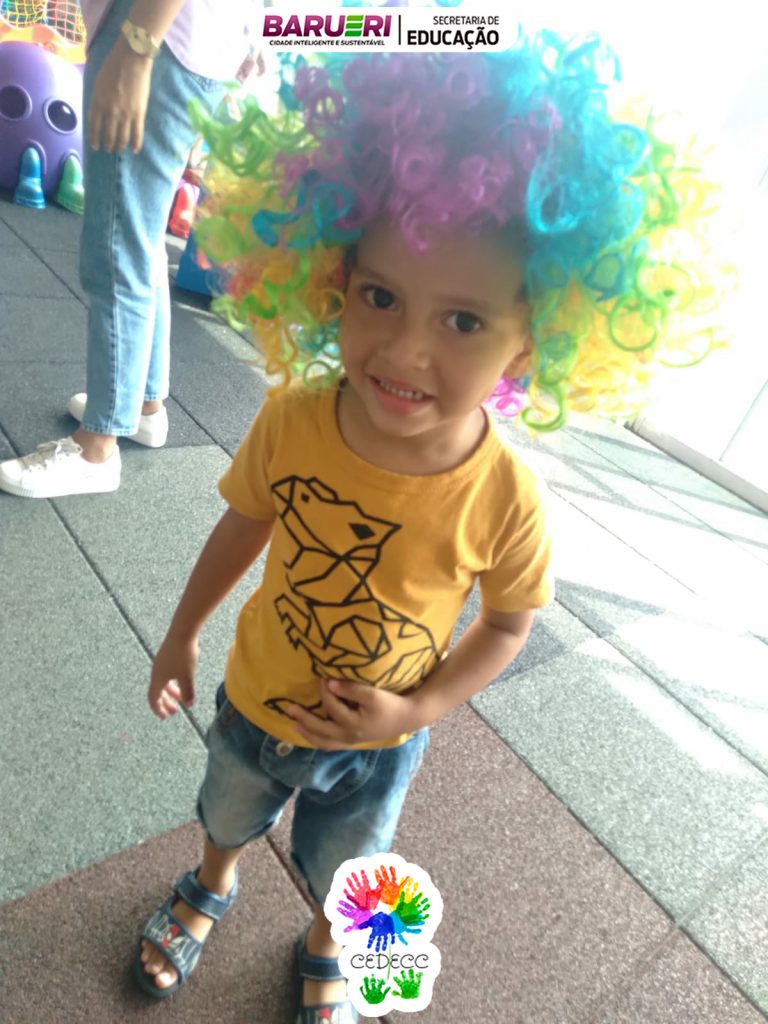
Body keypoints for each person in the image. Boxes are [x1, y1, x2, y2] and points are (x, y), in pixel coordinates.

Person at [130, 39, 726, 1024]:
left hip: (379, 738)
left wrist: (416, 708)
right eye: (379, 296)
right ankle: (213, 882)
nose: (405, 350)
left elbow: (507, 623)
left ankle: (329, 937)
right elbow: (244, 523)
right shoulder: (293, 418)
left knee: (348, 862)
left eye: (464, 322)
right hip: (256, 694)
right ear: (335, 277)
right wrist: (183, 631)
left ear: (531, 342)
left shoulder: (506, 496)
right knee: (227, 809)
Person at [0, 0, 259, 498]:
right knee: (140, 232)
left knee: (117, 244)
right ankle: (142, 405)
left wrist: (136, 48)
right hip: (194, 40)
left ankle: (97, 448)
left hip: (157, 33)